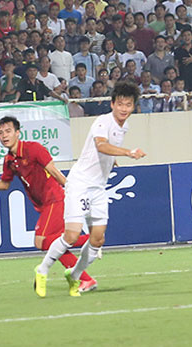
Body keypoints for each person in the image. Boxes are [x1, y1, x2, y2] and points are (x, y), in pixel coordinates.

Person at [34, 82, 146, 298]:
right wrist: (128, 153)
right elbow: (101, 145)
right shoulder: (102, 122)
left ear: (133, 107)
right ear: (112, 104)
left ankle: (74, 276)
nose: (124, 108)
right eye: (120, 104)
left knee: (97, 240)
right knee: (72, 234)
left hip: (98, 188)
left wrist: (111, 161)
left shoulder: (124, 126)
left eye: (128, 105)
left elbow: (106, 151)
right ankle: (42, 269)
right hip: (80, 183)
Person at [0, 117, 97, 292]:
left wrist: (73, 192)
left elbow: (54, 172)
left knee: (41, 242)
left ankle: (92, 241)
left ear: (18, 133)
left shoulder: (33, 148)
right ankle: (86, 278)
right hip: (44, 204)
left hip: (55, 199)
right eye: (1, 132)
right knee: (53, 244)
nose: (4, 135)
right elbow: (4, 185)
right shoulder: (9, 160)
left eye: (8, 131)